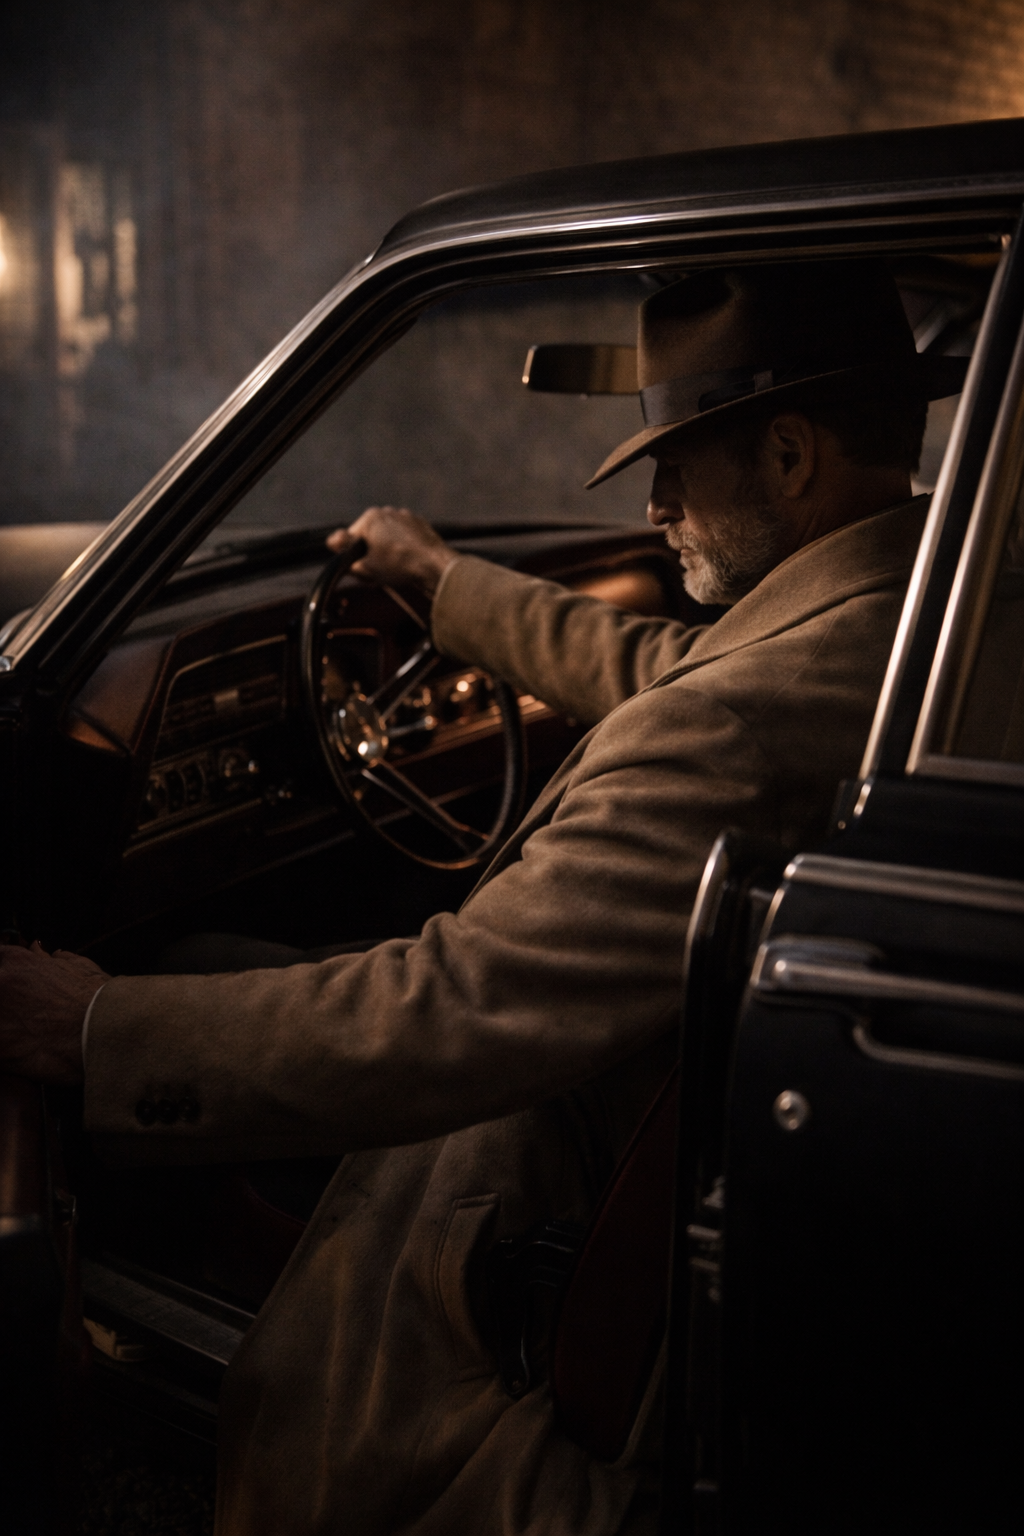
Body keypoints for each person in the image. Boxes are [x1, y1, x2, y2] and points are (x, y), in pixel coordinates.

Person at [0, 262, 965, 1535]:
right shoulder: (922, 613)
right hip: (741, 1161)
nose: (659, 504)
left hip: (550, 1196)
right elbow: (654, 664)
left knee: (201, 973)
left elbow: (449, 1011)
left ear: (789, 456)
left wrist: (91, 1030)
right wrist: (443, 583)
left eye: (677, 463)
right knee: (236, 957)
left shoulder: (732, 729)